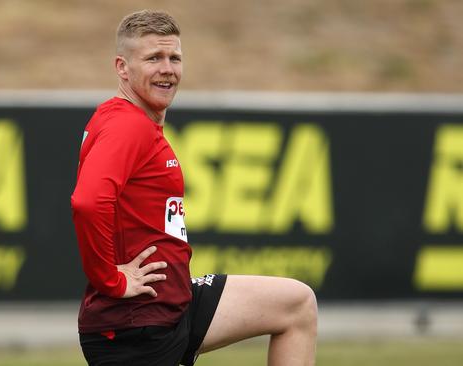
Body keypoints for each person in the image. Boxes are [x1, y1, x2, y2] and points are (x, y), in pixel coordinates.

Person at [71, 9, 317, 366]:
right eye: (153, 58)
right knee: (296, 304)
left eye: (174, 57)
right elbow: (88, 203)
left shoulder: (130, 121)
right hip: (137, 327)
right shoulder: (128, 126)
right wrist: (111, 280)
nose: (167, 68)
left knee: (296, 304)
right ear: (122, 68)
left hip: (171, 305)